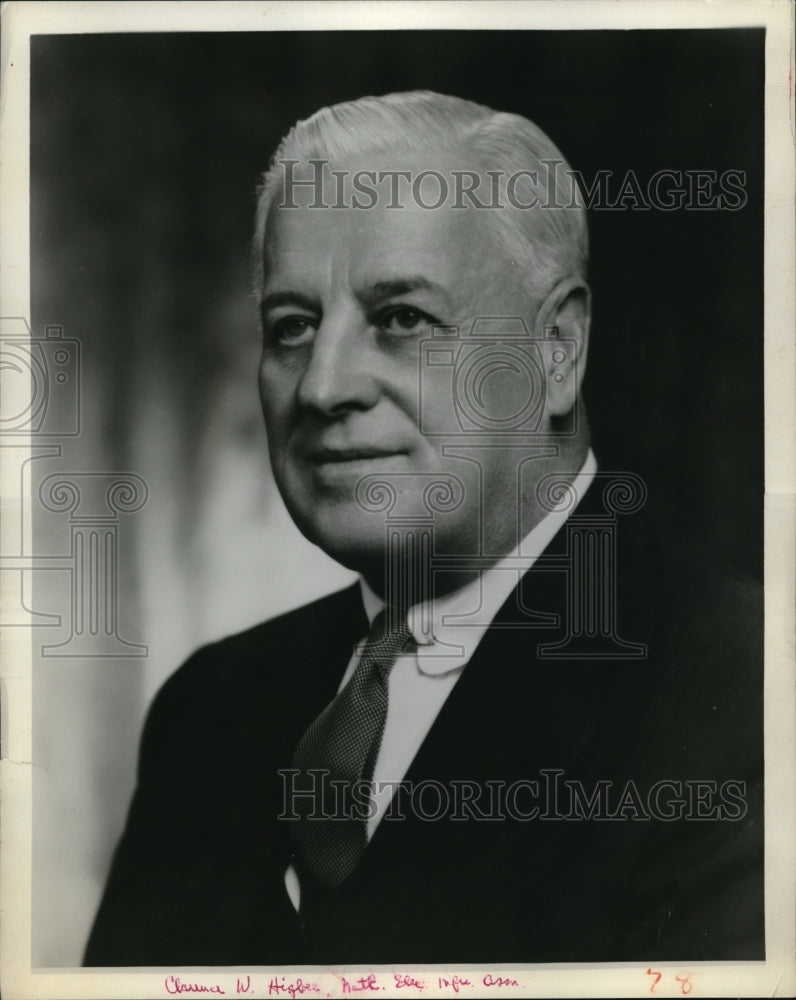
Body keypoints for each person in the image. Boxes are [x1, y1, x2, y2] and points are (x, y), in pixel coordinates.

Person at [84, 91, 763, 966]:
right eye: (292, 326)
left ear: (556, 350)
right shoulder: (206, 713)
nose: (323, 387)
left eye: (402, 317)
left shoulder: (746, 703)